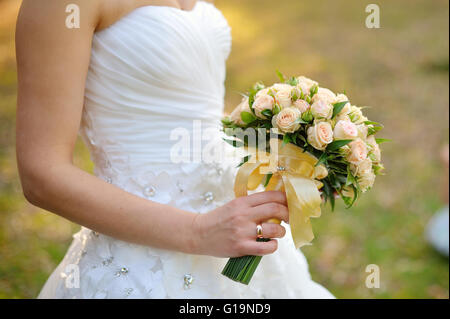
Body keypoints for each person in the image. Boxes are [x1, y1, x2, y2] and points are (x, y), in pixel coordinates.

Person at [15, 0, 334, 298]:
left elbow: (189, 112)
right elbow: (42, 174)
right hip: (142, 256)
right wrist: (198, 231)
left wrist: (278, 160)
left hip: (238, 230)